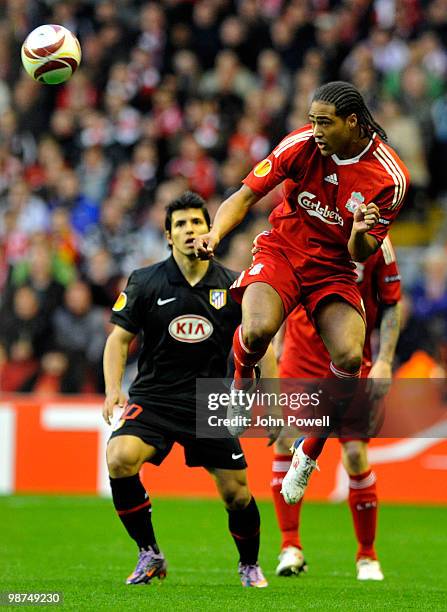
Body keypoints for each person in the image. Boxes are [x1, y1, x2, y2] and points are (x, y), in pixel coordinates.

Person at [194, 81, 409, 502]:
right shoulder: (301, 144)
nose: (316, 130)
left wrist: (362, 233)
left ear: (352, 122)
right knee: (256, 331)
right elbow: (244, 195)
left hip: (334, 268)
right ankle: (241, 385)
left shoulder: (390, 176)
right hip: (284, 252)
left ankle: (307, 454)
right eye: (312, 121)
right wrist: (216, 232)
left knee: (349, 357)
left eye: (324, 123)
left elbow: (360, 251)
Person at [103, 191, 274, 588]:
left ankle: (249, 564)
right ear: (168, 236)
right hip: (155, 397)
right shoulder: (145, 281)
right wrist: (114, 388)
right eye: (180, 224)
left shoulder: (236, 285)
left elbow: (262, 342)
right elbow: (117, 340)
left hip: (209, 402)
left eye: (197, 222)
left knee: (237, 494)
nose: (189, 230)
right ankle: (149, 552)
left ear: (209, 228)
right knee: (119, 457)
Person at [272, 237, 401, 581]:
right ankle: (290, 547)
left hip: (352, 360)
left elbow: (390, 303)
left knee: (355, 455)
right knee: (286, 441)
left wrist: (385, 360)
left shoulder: (377, 240)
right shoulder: (308, 225)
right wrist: (278, 344)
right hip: (301, 360)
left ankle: (367, 556)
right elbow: (281, 288)